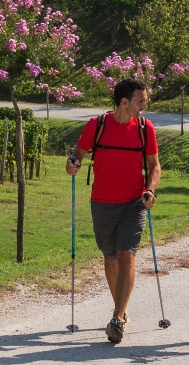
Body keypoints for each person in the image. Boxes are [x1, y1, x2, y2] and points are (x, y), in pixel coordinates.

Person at [67, 78, 161, 344]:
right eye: (140, 101)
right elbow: (77, 155)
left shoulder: (145, 128)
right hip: (102, 202)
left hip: (134, 202)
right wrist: (72, 164)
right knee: (110, 257)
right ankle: (121, 310)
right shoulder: (97, 126)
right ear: (124, 102)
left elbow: (155, 166)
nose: (145, 105)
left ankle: (117, 317)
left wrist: (150, 190)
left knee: (126, 255)